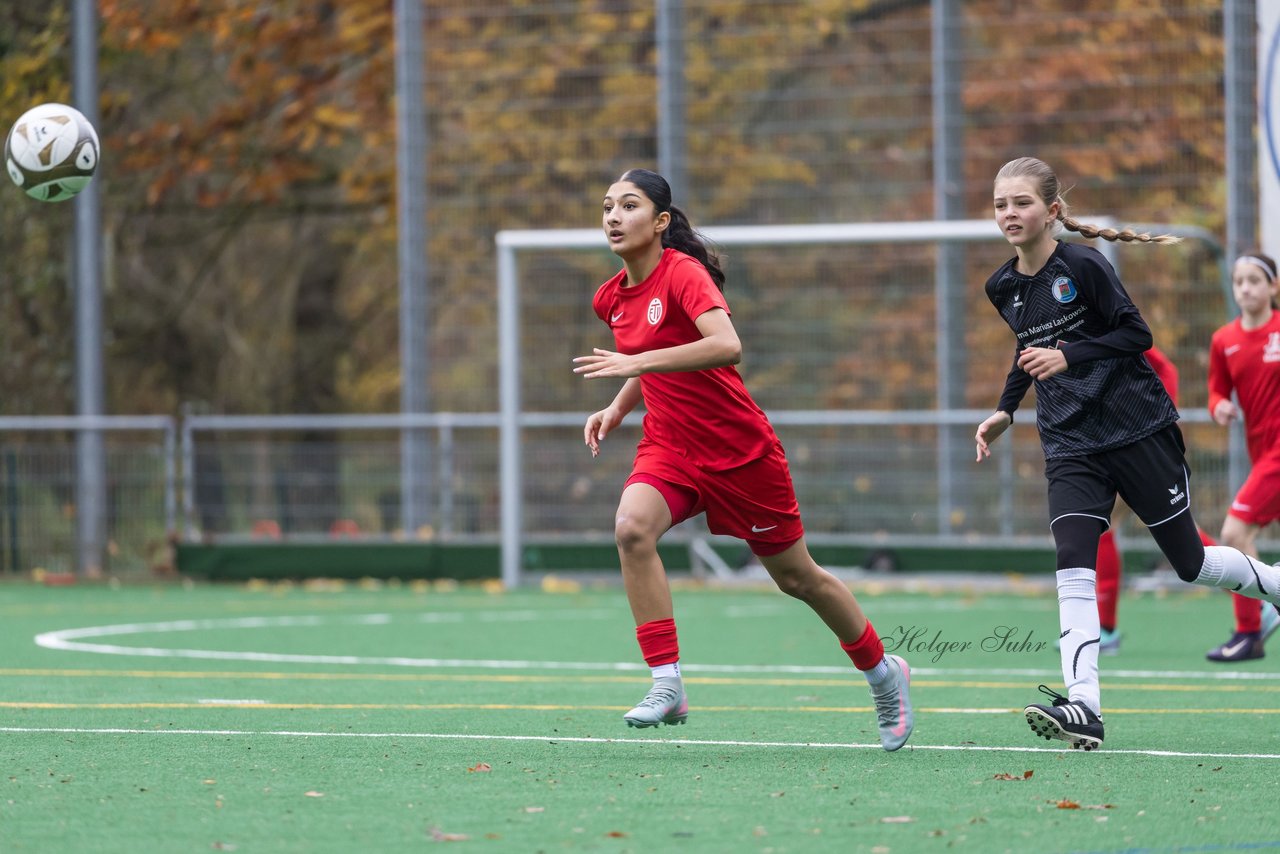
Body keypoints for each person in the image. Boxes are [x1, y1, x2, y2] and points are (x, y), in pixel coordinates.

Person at [573, 168, 913, 751]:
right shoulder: (612, 296)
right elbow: (647, 359)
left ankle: (884, 674)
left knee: (798, 579)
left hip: (738, 453)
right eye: (607, 206)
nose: (612, 216)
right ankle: (666, 682)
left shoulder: (685, 274)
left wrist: (637, 368)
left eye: (628, 206)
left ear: (659, 222)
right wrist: (619, 406)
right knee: (632, 529)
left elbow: (726, 346)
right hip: (671, 449)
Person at [974, 156, 1280, 751]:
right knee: (1072, 558)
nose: (1009, 214)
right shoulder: (1001, 285)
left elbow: (1136, 335)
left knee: (1191, 564)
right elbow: (1026, 347)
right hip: (1069, 443)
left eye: (1022, 203)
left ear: (1052, 211)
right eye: (1000, 204)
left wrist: (1070, 355)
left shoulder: (1084, 265)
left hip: (1138, 431)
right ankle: (1084, 704)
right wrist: (1006, 409)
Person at [1089, 346, 1250, 659]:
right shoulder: (1059, 329)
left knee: (1123, 525)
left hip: (1143, 443)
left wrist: (1160, 417)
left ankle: (1254, 594)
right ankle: (1254, 595)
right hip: (1113, 443)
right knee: (1107, 524)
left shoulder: (1110, 321)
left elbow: (1167, 370)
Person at [1203, 252, 1280, 662]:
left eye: (1255, 280)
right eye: (1239, 281)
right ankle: (1252, 630)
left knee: (1233, 534)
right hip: (1262, 453)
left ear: (1273, 287)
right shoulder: (1224, 340)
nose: (1246, 288)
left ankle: (1249, 630)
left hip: (1278, 457)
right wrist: (1218, 408)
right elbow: (1217, 391)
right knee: (1242, 538)